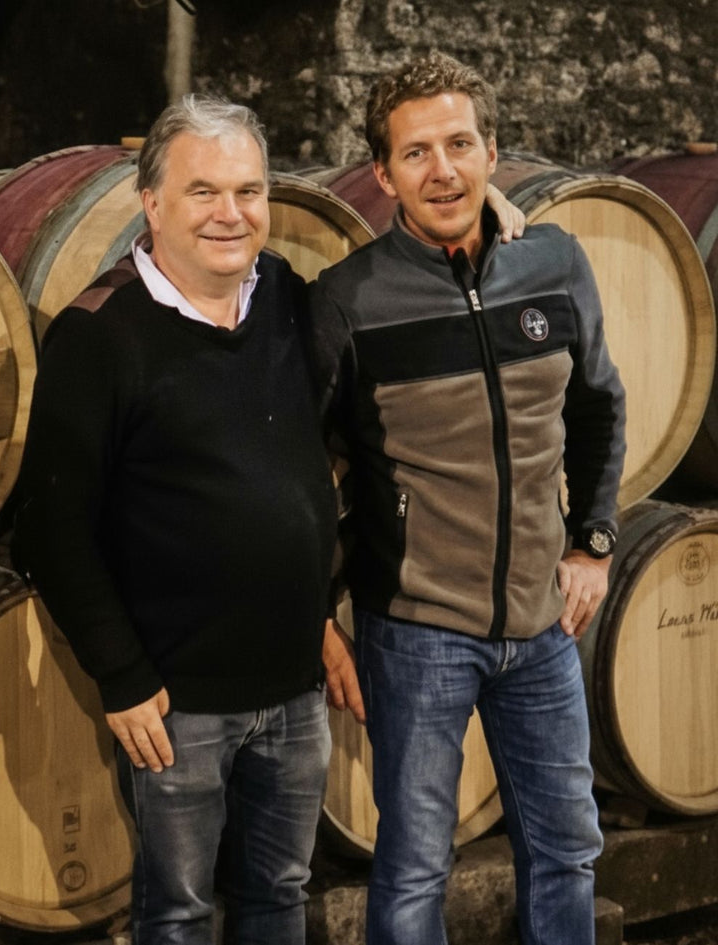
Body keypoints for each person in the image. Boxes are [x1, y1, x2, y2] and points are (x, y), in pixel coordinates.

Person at [311, 53, 626, 945]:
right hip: (417, 631)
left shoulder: (554, 263)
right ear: (384, 176)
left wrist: (594, 541)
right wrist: (316, 610)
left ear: (493, 151)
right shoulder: (351, 300)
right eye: (415, 153)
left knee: (567, 848)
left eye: (459, 144)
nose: (442, 169)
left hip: (542, 625)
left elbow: (598, 406)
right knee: (414, 867)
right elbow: (304, 467)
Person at [11, 94, 338, 945]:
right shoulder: (99, 334)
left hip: (294, 691)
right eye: (204, 192)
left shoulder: (286, 299)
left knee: (281, 895)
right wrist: (121, 673)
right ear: (151, 202)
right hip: (177, 704)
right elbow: (50, 526)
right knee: (179, 914)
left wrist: (490, 214)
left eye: (249, 191)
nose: (232, 212)